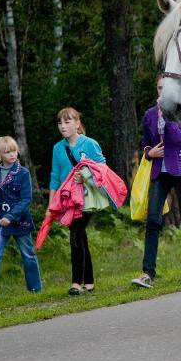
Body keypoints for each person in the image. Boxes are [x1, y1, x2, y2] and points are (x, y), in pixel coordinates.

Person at [132, 76, 181, 288]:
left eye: (166, 89)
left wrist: (167, 115)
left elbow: (179, 139)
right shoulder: (149, 114)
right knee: (153, 220)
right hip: (159, 172)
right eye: (160, 88)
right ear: (157, 90)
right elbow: (146, 143)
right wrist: (149, 153)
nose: (163, 92)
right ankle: (147, 273)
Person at [0, 137, 41, 300]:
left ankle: (35, 289)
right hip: (0, 220)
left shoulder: (23, 173)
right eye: (7, 152)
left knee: (28, 254)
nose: (12, 154)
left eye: (14, 151)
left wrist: (11, 216)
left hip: (20, 220)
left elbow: (26, 199)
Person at [49, 107, 105, 295]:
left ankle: (76, 282)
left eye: (67, 122)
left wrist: (85, 176)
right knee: (81, 237)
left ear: (77, 123)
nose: (63, 126)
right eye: (60, 122)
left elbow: (102, 168)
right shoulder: (57, 148)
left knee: (75, 234)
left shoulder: (90, 144)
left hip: (87, 198)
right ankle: (89, 282)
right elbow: (55, 176)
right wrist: (51, 204)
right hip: (68, 199)